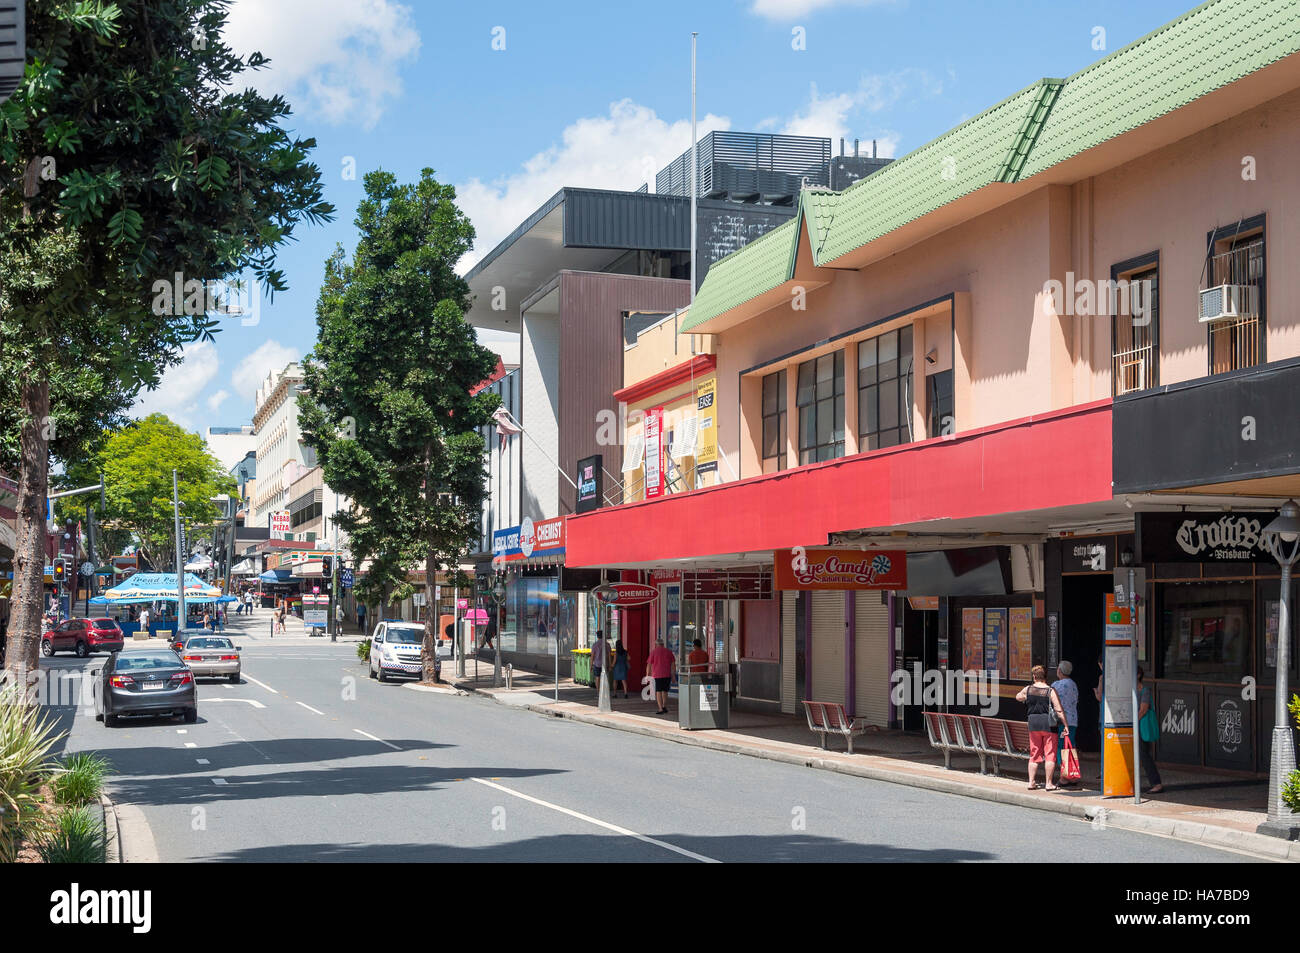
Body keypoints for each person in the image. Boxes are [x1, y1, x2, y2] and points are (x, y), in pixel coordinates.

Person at [1015, 664, 1070, 791]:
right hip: (1049, 725)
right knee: (1050, 755)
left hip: (1033, 723)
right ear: (1045, 676)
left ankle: (1031, 782)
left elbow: (1018, 696)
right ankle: (1049, 783)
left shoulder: (1028, 689)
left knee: (1034, 754)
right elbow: (1059, 710)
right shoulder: (1050, 691)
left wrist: (1026, 697)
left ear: (1034, 676)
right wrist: (1065, 725)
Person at [1051, 660, 1080, 784]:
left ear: (1060, 671)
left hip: (1062, 721)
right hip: (1073, 720)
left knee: (1061, 748)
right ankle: (1072, 775)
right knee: (1070, 747)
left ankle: (1065, 777)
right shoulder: (1073, 684)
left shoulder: (1056, 685)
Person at [1136, 666, 1164, 793]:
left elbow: (1143, 709)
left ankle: (1156, 783)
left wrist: (1132, 724)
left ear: (1138, 675)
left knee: (1144, 755)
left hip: (1141, 727)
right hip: (1135, 726)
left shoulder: (1144, 690)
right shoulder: (1130, 689)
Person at [647, 637, 676, 715]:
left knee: (658, 691)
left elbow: (649, 665)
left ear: (656, 645)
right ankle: (664, 706)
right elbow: (673, 664)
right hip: (667, 674)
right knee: (665, 691)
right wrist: (673, 675)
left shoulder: (653, 652)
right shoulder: (669, 652)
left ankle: (660, 708)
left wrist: (647, 675)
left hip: (657, 675)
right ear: (663, 644)